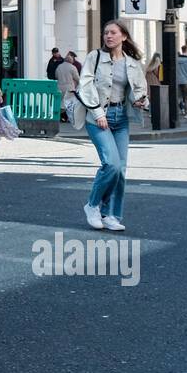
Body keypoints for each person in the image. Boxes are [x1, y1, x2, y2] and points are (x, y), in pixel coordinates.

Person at [76, 21, 149, 232]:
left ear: (123, 36)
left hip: (121, 117)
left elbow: (140, 90)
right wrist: (98, 112)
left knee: (121, 170)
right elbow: (85, 85)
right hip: (98, 117)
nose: (108, 36)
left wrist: (141, 101)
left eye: (113, 32)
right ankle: (92, 205)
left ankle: (111, 215)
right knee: (111, 164)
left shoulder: (133, 63)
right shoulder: (95, 57)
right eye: (106, 32)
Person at [55, 49, 80, 122]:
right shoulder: (73, 67)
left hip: (59, 87)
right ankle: (69, 118)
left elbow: (56, 76)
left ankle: (61, 117)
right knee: (69, 104)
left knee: (61, 102)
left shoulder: (59, 66)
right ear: (71, 60)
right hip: (69, 88)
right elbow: (77, 78)